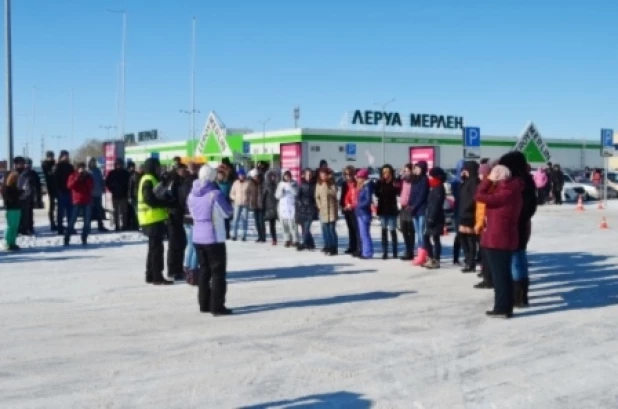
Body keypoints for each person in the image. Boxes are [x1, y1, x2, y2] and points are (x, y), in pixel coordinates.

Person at [475, 164, 523, 319]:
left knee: (500, 275)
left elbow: (479, 195)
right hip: (502, 237)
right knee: (503, 274)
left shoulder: (505, 192)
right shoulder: (510, 189)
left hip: (498, 239)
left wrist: (487, 181)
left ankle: (502, 308)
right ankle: (505, 306)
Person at [188, 165, 234, 316]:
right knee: (218, 273)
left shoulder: (192, 194)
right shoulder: (215, 194)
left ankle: (204, 303)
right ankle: (217, 305)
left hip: (198, 237)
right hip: (214, 238)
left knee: (204, 271)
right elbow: (227, 212)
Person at [499, 153, 537, 308]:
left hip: (512, 225)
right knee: (520, 256)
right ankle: (522, 295)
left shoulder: (514, 183)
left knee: (515, 258)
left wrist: (514, 218)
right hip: (522, 224)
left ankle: (517, 295)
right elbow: (532, 206)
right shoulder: (528, 180)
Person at [137, 158, 174, 285]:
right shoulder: (148, 179)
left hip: (151, 218)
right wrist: (165, 203)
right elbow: (149, 199)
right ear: (152, 167)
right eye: (157, 167)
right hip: (151, 218)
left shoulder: (149, 178)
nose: (159, 169)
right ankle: (157, 276)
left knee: (153, 249)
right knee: (157, 249)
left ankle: (150, 274)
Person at [64, 162, 94, 246]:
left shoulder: (88, 176)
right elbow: (70, 186)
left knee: (87, 221)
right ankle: (67, 237)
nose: (82, 169)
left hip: (87, 200)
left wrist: (86, 179)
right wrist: (78, 177)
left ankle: (84, 237)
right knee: (72, 220)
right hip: (77, 201)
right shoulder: (73, 176)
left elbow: (91, 187)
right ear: (77, 169)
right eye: (80, 168)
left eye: (83, 168)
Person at [473, 163, 493, 289]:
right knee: (484, 253)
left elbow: (484, 209)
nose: (479, 175)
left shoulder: (488, 187)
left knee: (486, 254)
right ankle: (487, 276)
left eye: (481, 173)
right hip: (482, 223)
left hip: (486, 224)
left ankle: (488, 279)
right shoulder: (483, 185)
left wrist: (479, 224)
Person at [458, 161, 480, 273]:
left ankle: (471, 263)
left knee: (470, 239)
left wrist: (467, 208)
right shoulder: (466, 181)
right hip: (463, 213)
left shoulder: (474, 181)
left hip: (470, 213)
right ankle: (468, 259)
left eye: (465, 169)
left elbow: (474, 198)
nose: (463, 171)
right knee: (462, 236)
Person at [375, 164, 400, 260]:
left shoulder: (394, 182)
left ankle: (395, 251)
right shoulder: (380, 182)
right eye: (383, 172)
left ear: (391, 173)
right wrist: (379, 186)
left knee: (393, 230)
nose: (385, 174)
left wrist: (394, 186)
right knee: (384, 230)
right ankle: (385, 251)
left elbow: (396, 192)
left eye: (387, 172)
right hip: (382, 209)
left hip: (392, 209)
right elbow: (377, 194)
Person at [179, 163, 199, 284]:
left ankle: (186, 267)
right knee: (196, 245)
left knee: (190, 244)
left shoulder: (183, 183)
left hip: (185, 217)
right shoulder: (196, 184)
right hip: (194, 218)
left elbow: (181, 201)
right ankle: (192, 270)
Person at [423, 167, 446, 269]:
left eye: (431, 176)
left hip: (436, 218)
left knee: (434, 238)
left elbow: (436, 205)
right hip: (431, 216)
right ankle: (431, 258)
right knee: (427, 237)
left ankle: (435, 260)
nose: (430, 178)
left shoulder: (439, 188)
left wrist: (431, 218)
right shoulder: (434, 187)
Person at [315, 168, 338, 255]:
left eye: (324, 174)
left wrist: (327, 185)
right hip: (323, 210)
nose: (322, 176)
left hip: (331, 209)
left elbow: (335, 192)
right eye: (321, 174)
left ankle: (334, 247)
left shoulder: (331, 183)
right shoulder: (318, 184)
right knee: (325, 229)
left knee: (331, 229)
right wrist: (319, 206)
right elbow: (317, 197)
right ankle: (327, 245)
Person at [410, 161, 429, 266]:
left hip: (421, 209)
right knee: (418, 233)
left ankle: (423, 255)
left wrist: (414, 206)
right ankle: (419, 254)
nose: (416, 170)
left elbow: (422, 195)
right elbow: (411, 194)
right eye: (415, 168)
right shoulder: (414, 179)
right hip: (414, 210)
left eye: (418, 168)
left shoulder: (424, 179)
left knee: (421, 233)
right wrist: (409, 205)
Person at [105, 158, 131, 231]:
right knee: (116, 211)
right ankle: (117, 225)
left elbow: (129, 183)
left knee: (124, 212)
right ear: (115, 165)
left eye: (120, 164)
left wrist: (127, 191)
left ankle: (124, 225)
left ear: (122, 165)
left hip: (124, 195)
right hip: (115, 195)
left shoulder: (126, 173)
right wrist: (112, 189)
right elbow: (107, 183)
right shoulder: (112, 173)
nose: (118, 165)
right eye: (117, 164)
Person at [276, 170, 299, 247]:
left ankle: (295, 240)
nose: (286, 177)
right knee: (284, 225)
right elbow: (277, 196)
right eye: (285, 176)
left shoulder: (294, 183)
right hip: (282, 208)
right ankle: (287, 239)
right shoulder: (280, 184)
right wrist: (281, 192)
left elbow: (296, 193)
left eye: (288, 176)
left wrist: (290, 186)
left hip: (291, 207)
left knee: (293, 225)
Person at [2, 163, 23, 250]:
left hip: (17, 208)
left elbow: (17, 195)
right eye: (15, 178)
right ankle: (6, 242)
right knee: (10, 226)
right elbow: (10, 198)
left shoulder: (14, 187)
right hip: (11, 209)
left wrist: (21, 192)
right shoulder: (6, 188)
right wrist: (18, 195)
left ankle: (12, 242)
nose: (17, 180)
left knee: (15, 227)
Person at [355, 168, 375, 259]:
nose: (358, 179)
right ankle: (365, 251)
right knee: (363, 234)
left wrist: (359, 206)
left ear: (363, 178)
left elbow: (367, 200)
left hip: (364, 213)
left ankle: (367, 252)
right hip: (361, 212)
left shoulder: (367, 187)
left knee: (364, 233)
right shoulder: (363, 186)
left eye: (359, 177)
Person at [19, 158, 42, 236]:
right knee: (23, 213)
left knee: (30, 212)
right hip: (22, 196)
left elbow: (38, 186)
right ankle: (23, 228)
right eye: (26, 164)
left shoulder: (34, 173)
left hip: (31, 195)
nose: (28, 165)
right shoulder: (22, 173)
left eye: (29, 164)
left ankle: (30, 227)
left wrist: (39, 197)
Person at [296, 169, 316, 251]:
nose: (309, 176)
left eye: (310, 174)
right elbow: (298, 196)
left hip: (311, 209)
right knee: (304, 228)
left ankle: (304, 243)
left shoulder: (315, 185)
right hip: (302, 209)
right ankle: (311, 243)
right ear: (304, 175)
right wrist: (300, 203)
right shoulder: (301, 185)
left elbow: (316, 197)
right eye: (307, 174)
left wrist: (314, 205)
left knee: (307, 227)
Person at [341, 166, 359, 256]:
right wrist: (343, 206)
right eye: (346, 174)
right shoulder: (344, 183)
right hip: (346, 209)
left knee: (355, 228)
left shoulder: (355, 183)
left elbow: (356, 197)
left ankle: (357, 247)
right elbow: (342, 196)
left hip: (354, 209)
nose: (348, 176)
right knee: (350, 229)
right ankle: (351, 246)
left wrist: (351, 206)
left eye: (349, 174)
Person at [398, 164, 415, 261]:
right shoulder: (403, 180)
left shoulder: (413, 180)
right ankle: (407, 249)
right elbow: (395, 183)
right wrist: (399, 175)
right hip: (403, 207)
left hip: (410, 207)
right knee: (403, 229)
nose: (405, 172)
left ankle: (410, 251)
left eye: (407, 170)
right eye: (404, 171)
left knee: (410, 230)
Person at [450, 160, 465, 265]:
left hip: (460, 210)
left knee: (461, 234)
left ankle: (459, 257)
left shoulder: (456, 181)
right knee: (460, 234)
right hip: (460, 211)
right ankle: (456, 257)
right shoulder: (456, 181)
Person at [88, 157, 108, 232]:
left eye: (94, 162)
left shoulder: (98, 171)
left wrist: (103, 188)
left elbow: (101, 180)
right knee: (90, 210)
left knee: (99, 210)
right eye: (92, 162)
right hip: (90, 194)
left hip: (98, 193)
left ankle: (100, 225)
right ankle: (88, 226)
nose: (93, 163)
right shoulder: (88, 171)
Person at [230, 169, 250, 241]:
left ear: (244, 175)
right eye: (240, 175)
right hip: (237, 204)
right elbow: (232, 193)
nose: (241, 176)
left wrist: (249, 199)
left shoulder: (248, 183)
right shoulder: (235, 183)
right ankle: (234, 235)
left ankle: (244, 235)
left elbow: (250, 193)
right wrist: (234, 198)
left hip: (245, 204)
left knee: (245, 220)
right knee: (235, 219)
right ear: (238, 176)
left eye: (242, 175)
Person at [246, 169, 266, 242]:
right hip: (254, 204)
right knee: (257, 222)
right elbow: (247, 192)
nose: (255, 177)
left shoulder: (262, 182)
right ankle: (259, 236)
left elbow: (265, 192)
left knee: (261, 222)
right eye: (254, 176)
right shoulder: (251, 183)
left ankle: (263, 237)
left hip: (261, 204)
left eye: (256, 176)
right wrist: (249, 199)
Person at [263, 169, 280, 245]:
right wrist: (263, 206)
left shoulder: (278, 185)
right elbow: (263, 196)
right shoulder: (266, 185)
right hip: (269, 207)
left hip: (277, 207)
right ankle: (274, 239)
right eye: (271, 176)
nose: (273, 177)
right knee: (271, 224)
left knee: (282, 223)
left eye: (274, 176)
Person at [41, 151, 58, 231]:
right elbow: (48, 173)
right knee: (51, 206)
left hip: (57, 186)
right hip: (50, 187)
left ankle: (58, 222)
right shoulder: (45, 164)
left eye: (52, 156)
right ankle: (52, 223)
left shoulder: (55, 163)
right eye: (49, 156)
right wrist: (53, 169)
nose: (51, 158)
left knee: (59, 206)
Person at [216, 166, 233, 240]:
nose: (220, 177)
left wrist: (230, 200)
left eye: (221, 175)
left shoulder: (227, 184)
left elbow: (231, 193)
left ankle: (227, 233)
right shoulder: (216, 184)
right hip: (218, 204)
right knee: (219, 220)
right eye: (218, 175)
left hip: (226, 202)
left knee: (226, 220)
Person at [128, 164, 144, 230]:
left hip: (143, 197)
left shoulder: (144, 176)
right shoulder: (133, 176)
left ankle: (142, 225)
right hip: (135, 197)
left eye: (141, 168)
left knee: (142, 212)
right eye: (139, 168)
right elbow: (130, 187)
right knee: (136, 212)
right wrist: (130, 196)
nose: (140, 169)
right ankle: (136, 225)